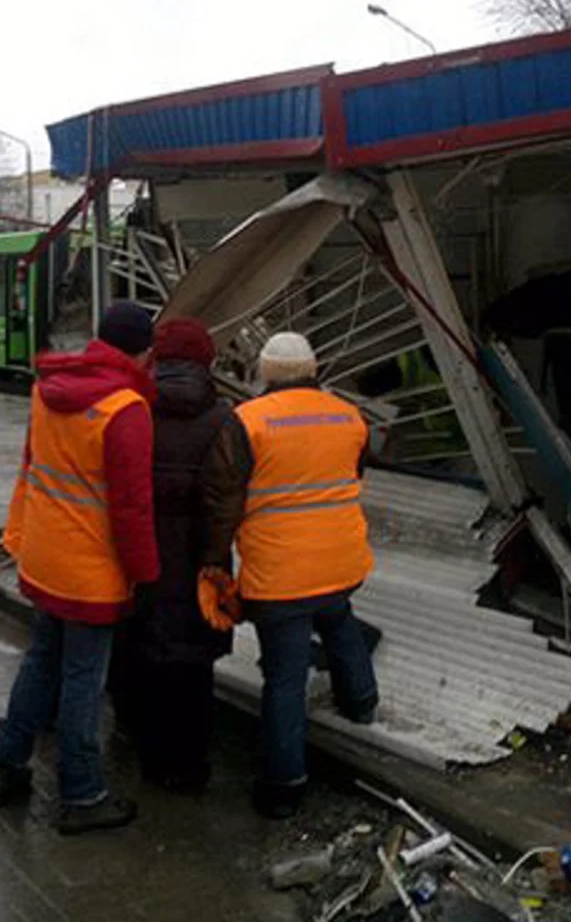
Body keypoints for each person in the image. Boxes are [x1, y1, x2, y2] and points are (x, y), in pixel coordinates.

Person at [0, 301, 159, 836]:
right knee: (84, 678)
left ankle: (8, 766)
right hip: (91, 567)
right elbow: (132, 507)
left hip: (45, 554)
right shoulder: (125, 409)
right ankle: (82, 794)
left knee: (41, 660)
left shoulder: (46, 389)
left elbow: (32, 466)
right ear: (144, 352)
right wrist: (146, 574)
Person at [201, 331, 379, 820]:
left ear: (265, 372)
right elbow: (354, 475)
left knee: (284, 676)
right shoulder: (349, 417)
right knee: (339, 619)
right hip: (340, 559)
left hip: (280, 573)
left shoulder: (246, 423)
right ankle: (361, 702)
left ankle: (283, 786)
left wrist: (216, 567)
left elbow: (222, 504)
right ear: (313, 368)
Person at [108, 317, 234, 791]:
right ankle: (189, 767)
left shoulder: (131, 407)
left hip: (139, 557)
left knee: (139, 649)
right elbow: (226, 502)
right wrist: (216, 565)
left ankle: (143, 748)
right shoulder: (223, 419)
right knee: (193, 663)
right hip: (199, 561)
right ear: (207, 363)